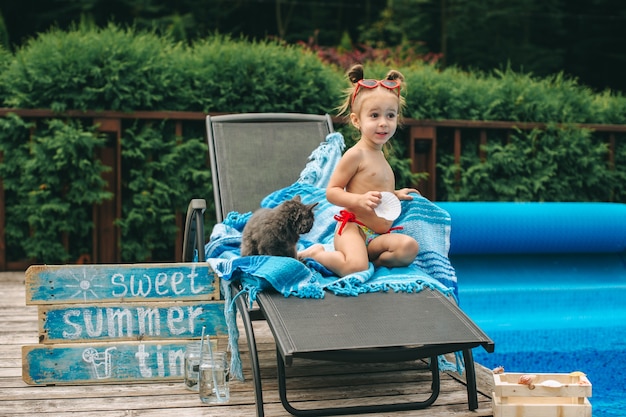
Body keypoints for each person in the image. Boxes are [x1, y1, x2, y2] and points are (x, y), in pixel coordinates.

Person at [298, 64, 420, 276]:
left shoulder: (381, 155)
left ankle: (371, 261)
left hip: (377, 235)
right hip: (354, 230)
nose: (383, 123)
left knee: (409, 248)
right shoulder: (356, 154)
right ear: (357, 121)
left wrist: (396, 195)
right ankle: (317, 254)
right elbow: (332, 191)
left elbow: (378, 192)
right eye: (374, 116)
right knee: (356, 268)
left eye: (390, 115)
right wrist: (358, 201)